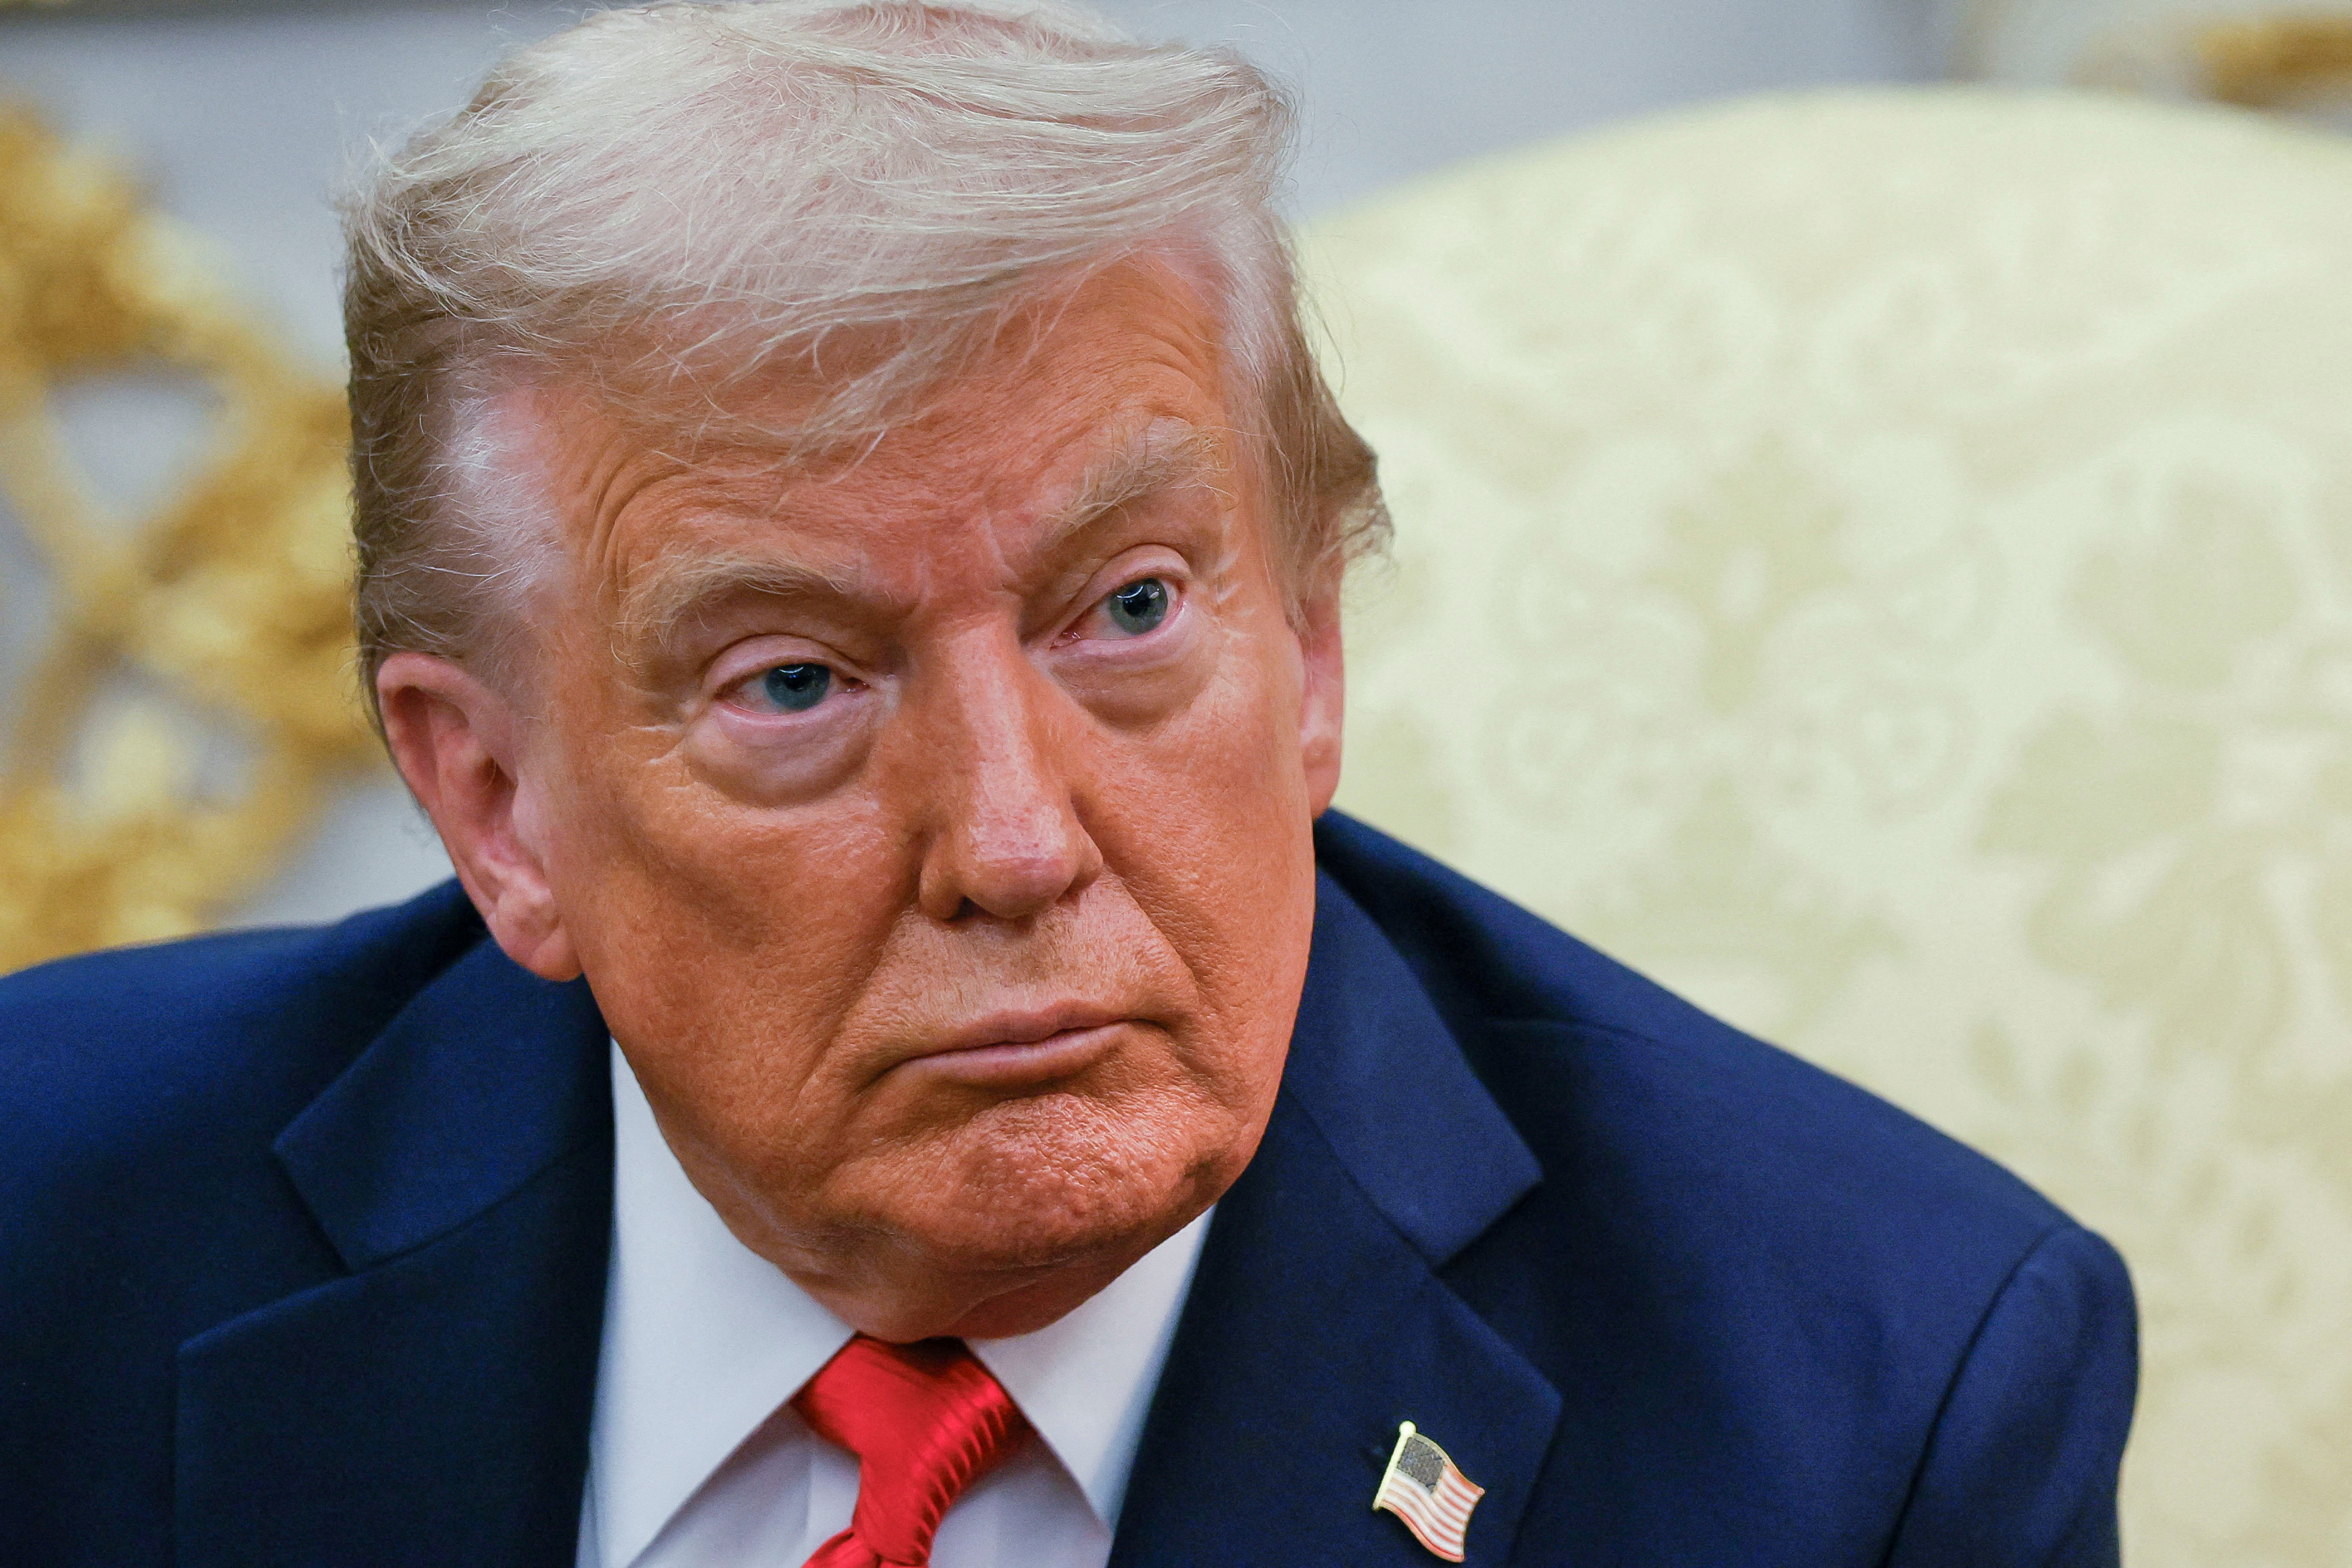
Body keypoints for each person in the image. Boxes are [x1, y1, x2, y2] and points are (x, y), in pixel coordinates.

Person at [0, 3, 2137, 1564]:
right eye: (792, 681)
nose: (1017, 843)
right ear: (494, 803)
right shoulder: (51, 1232)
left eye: (1126, 611)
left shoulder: (1862, 1396)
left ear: (1308, 646)